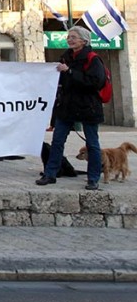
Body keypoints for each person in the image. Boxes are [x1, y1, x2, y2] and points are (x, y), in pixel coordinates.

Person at [37, 25, 105, 191]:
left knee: (92, 144)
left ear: (83, 40)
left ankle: (93, 178)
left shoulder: (92, 59)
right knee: (58, 141)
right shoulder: (66, 57)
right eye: (69, 37)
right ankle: (50, 173)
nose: (70, 39)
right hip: (67, 106)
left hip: (88, 106)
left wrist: (69, 72)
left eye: (73, 37)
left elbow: (96, 82)